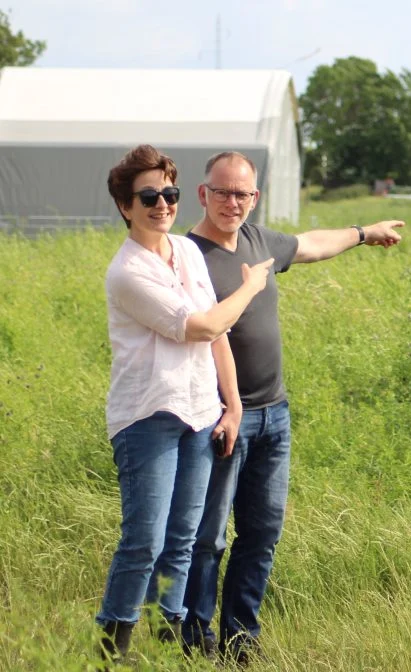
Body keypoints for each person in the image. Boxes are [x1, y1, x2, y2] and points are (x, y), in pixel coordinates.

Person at [180, 151, 403, 663]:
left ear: (254, 198)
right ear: (202, 193)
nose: (232, 202)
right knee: (207, 538)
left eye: (243, 194)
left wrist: (364, 232)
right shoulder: (187, 256)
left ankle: (242, 642)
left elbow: (313, 245)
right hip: (219, 419)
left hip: (274, 418)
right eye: (222, 192)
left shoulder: (259, 242)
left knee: (261, 533)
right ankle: (195, 642)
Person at [96, 145, 274, 663]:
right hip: (149, 418)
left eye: (169, 194)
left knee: (183, 540)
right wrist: (251, 286)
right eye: (148, 196)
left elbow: (216, 338)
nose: (162, 204)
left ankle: (167, 640)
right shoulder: (128, 272)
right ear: (125, 206)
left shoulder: (188, 252)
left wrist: (233, 406)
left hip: (199, 413)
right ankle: (112, 649)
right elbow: (205, 324)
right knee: (143, 543)